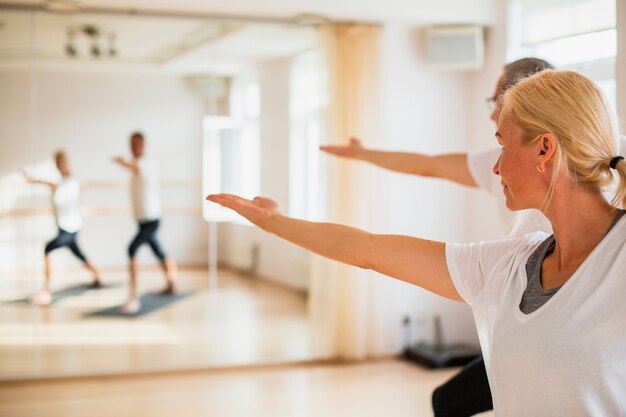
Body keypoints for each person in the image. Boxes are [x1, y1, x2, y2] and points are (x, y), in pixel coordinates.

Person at [207, 70, 626, 416]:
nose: (494, 167)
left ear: (544, 150)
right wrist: (276, 222)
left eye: (502, 145)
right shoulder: (509, 267)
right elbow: (368, 249)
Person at [24, 150, 102, 305]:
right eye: (56, 163)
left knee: (47, 248)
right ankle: (98, 276)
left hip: (70, 229)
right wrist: (34, 181)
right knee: (79, 255)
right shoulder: (64, 182)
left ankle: (46, 291)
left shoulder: (69, 182)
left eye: (59, 162)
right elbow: (54, 186)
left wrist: (34, 180)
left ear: (64, 163)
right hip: (67, 229)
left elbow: (54, 186)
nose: (57, 165)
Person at [114, 132, 177, 314]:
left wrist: (123, 162)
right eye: (132, 144)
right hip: (142, 221)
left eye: (137, 144)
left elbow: (135, 167)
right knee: (159, 251)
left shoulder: (147, 164)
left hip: (152, 219)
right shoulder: (136, 166)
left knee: (131, 249)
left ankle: (133, 298)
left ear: (143, 146)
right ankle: (172, 283)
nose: (134, 148)